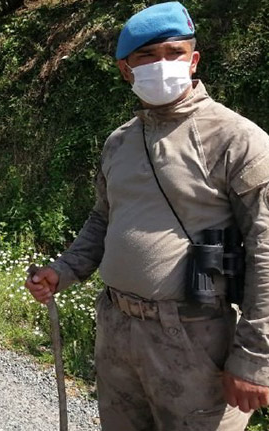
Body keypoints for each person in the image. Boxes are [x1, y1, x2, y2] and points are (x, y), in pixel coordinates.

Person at [26, 2, 269, 430]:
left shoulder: (238, 140)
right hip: (116, 329)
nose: (162, 65)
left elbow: (265, 250)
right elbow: (103, 220)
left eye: (173, 53)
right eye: (146, 57)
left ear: (193, 60)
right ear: (126, 70)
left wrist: (255, 357)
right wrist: (63, 270)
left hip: (195, 338)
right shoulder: (119, 142)